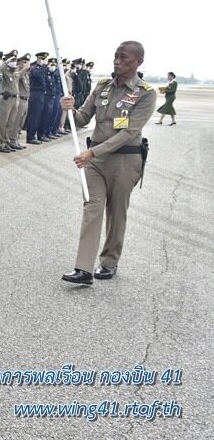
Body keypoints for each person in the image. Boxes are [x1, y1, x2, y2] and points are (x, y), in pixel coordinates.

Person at [61, 41, 155, 285]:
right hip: (96, 161)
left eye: (124, 57)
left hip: (125, 160)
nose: (117, 61)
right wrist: (70, 109)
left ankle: (109, 261)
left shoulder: (145, 93)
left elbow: (128, 132)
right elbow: (83, 119)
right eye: (115, 56)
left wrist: (92, 153)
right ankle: (83, 269)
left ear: (138, 62)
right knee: (92, 207)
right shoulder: (102, 87)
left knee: (116, 212)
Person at [0, 50, 21, 153]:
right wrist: (6, 61)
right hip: (6, 99)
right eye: (12, 60)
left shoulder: (14, 72)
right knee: (3, 122)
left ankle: (6, 142)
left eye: (15, 60)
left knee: (10, 123)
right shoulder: (4, 70)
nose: (14, 62)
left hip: (15, 99)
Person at [25, 52, 49, 144]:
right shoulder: (34, 68)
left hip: (41, 94)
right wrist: (43, 66)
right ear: (39, 59)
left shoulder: (42, 69)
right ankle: (30, 136)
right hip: (35, 93)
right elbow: (36, 75)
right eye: (43, 59)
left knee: (39, 116)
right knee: (34, 116)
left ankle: (37, 134)